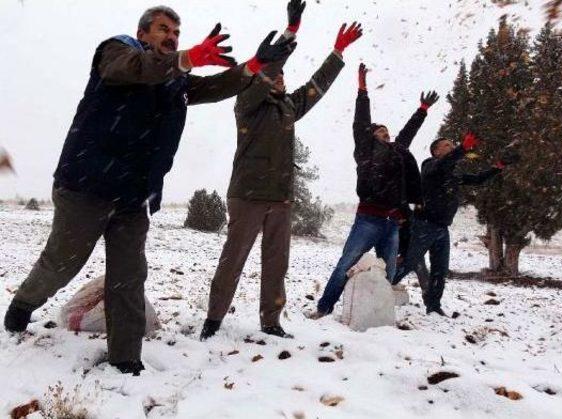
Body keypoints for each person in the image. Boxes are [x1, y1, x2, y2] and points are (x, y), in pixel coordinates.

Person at [3, 6, 292, 375]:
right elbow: (136, 69)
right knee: (63, 262)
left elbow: (214, 87)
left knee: (129, 276)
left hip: (134, 196)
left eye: (176, 32)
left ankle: (125, 359)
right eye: (163, 29)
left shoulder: (174, 78)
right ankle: (24, 303)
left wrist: (253, 65)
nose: (171, 36)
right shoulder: (117, 52)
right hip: (87, 186)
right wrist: (187, 58)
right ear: (142, 34)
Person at [200, 1, 363, 340]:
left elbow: (317, 85)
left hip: (281, 199)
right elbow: (264, 70)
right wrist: (290, 33)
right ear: (263, 81)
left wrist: (337, 52)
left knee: (277, 265)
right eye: (274, 75)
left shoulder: (289, 107)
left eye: (283, 76)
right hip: (248, 195)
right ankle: (213, 320)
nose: (281, 78)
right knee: (233, 260)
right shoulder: (248, 106)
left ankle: (271, 321)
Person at [312, 63, 439, 318]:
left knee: (388, 273)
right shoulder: (365, 150)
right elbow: (361, 121)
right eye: (381, 131)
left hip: (392, 222)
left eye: (388, 132)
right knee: (345, 264)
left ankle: (373, 313)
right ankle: (324, 308)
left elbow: (407, 133)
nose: (387, 134)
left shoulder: (396, 152)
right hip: (368, 220)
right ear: (371, 136)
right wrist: (362, 89)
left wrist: (422, 111)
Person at [393, 134, 516, 316]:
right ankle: (378, 286)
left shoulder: (453, 175)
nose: (451, 146)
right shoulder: (429, 166)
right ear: (436, 151)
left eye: (452, 144)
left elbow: (477, 179)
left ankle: (434, 307)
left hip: (442, 228)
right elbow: (442, 164)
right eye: (446, 144)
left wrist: (498, 167)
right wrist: (462, 149)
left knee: (440, 270)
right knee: (409, 262)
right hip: (424, 225)